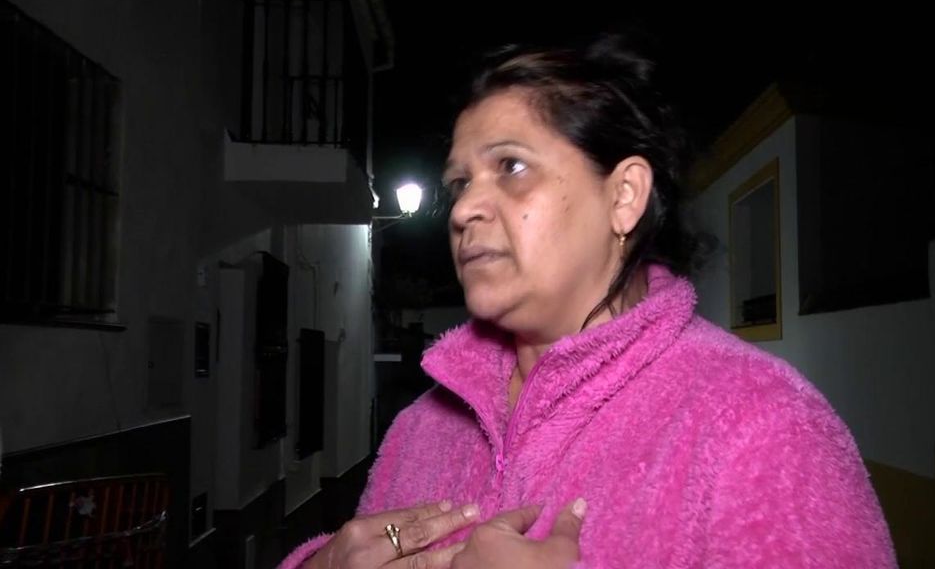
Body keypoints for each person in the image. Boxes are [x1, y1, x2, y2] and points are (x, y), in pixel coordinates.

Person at [280, 32, 897, 568]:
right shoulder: (420, 428)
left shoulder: (764, 425)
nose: (464, 209)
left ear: (624, 196)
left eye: (511, 167)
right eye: (460, 183)